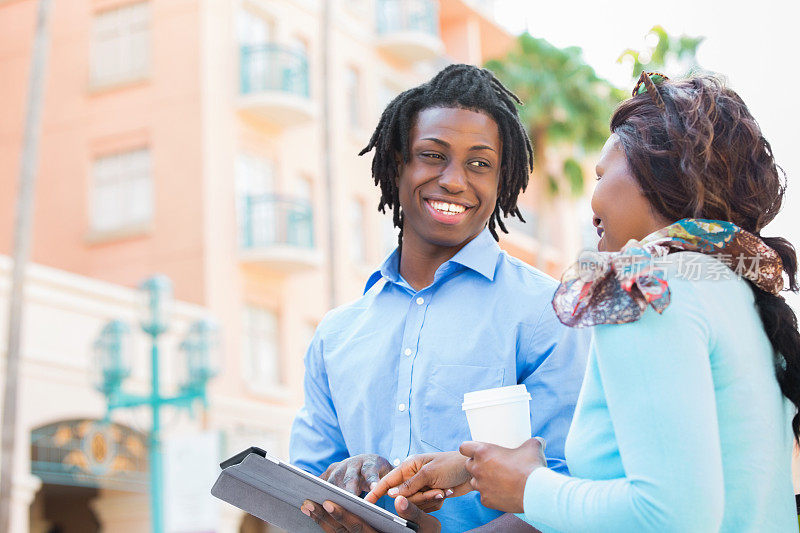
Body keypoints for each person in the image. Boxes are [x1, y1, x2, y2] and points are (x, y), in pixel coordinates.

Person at [368, 73, 800, 532]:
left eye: (599, 175)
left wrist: (526, 487)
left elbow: (673, 515)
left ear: (651, 172)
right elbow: (682, 488)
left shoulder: (640, 288)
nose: (591, 208)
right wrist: (480, 471)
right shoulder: (733, 287)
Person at [289, 64, 590, 532]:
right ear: (396, 164)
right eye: (432, 156)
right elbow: (305, 490)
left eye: (479, 163)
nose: (453, 180)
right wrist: (337, 485)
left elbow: (570, 489)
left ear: (501, 178)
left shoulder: (546, 313)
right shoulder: (336, 334)